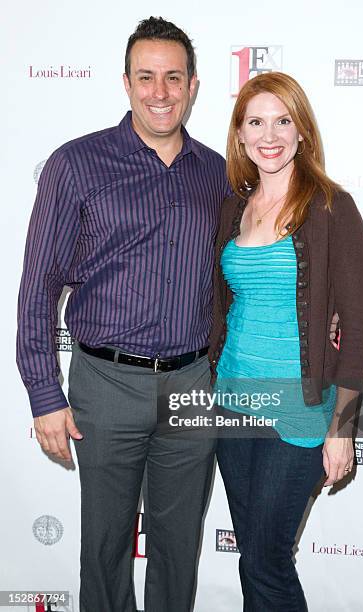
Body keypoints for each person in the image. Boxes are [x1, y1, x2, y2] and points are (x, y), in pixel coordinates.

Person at [16, 17, 231, 612]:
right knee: (106, 547)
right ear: (126, 83)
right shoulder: (76, 165)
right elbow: (38, 288)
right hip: (104, 384)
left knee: (177, 546)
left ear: (193, 86)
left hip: (192, 385)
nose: (159, 92)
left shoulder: (218, 173)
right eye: (146, 78)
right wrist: (43, 396)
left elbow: (238, 274)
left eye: (172, 78)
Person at [208, 72, 363, 611]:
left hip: (299, 415)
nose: (269, 134)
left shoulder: (331, 207)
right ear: (239, 136)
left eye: (283, 120)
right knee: (252, 556)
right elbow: (223, 304)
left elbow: (360, 332)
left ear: (302, 131)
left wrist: (342, 429)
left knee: (265, 560)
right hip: (232, 404)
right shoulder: (234, 207)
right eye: (255, 122)